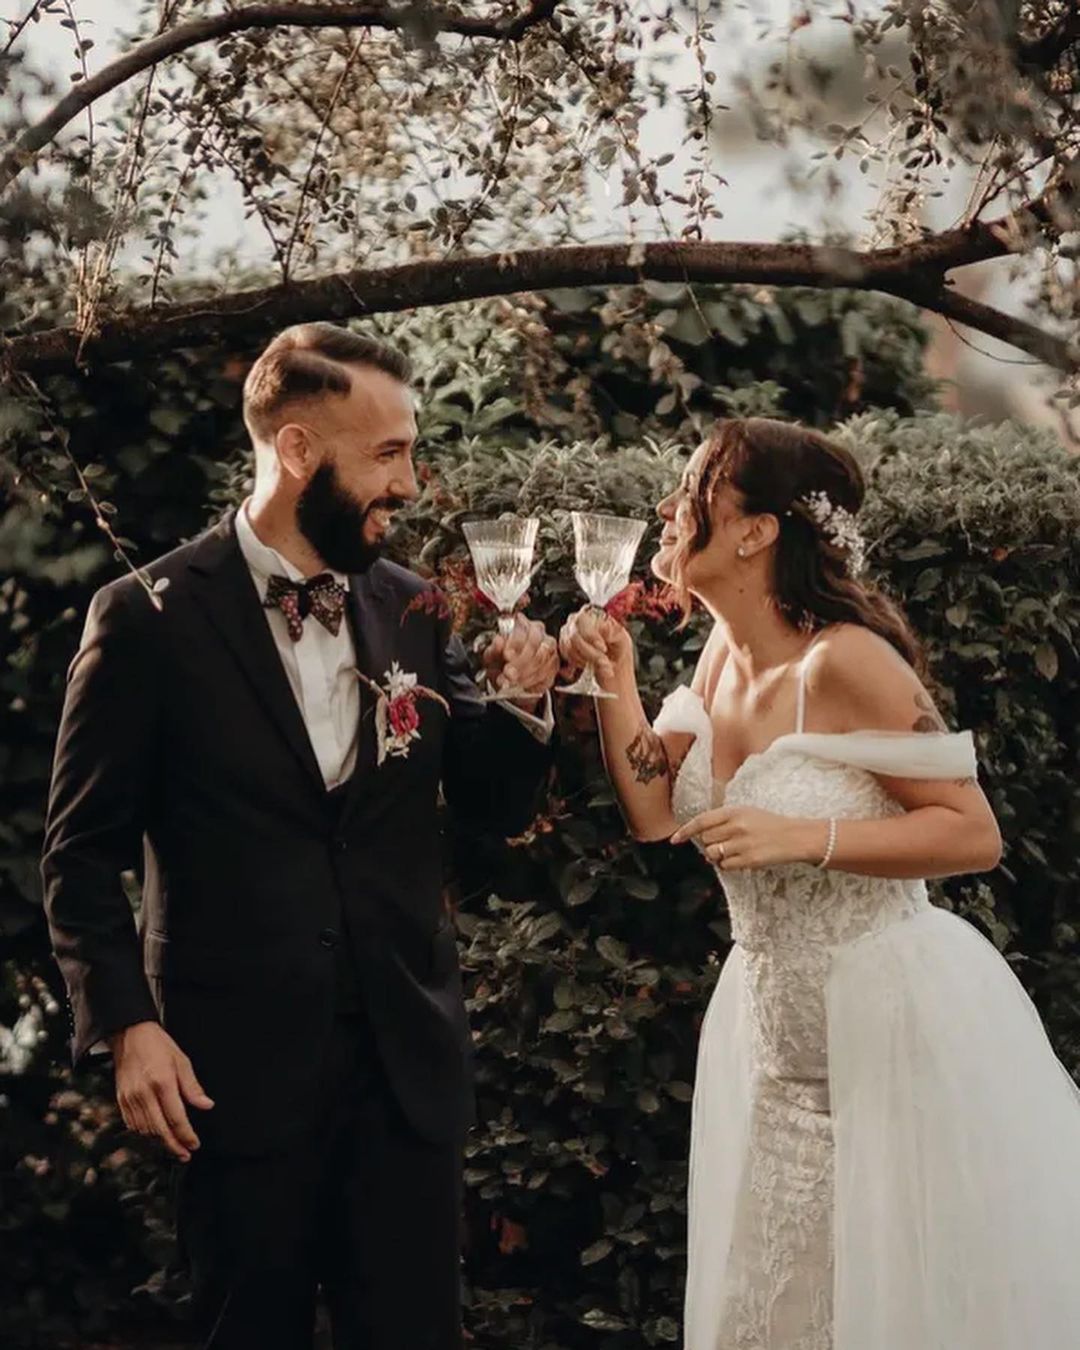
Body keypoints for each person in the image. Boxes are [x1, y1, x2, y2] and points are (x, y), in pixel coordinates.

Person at [41, 322, 560, 1350]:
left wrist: (529, 706)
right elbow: (79, 853)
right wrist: (127, 1025)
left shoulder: (418, 610)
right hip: (230, 1077)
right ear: (296, 448)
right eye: (389, 453)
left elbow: (496, 810)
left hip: (404, 1074)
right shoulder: (146, 618)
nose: (411, 485)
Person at [559, 416, 1080, 1349]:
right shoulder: (717, 656)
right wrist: (615, 680)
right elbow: (651, 811)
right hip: (769, 1034)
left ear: (757, 530)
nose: (671, 511)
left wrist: (803, 834)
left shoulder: (846, 659)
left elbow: (973, 833)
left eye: (694, 491)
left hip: (889, 1029)